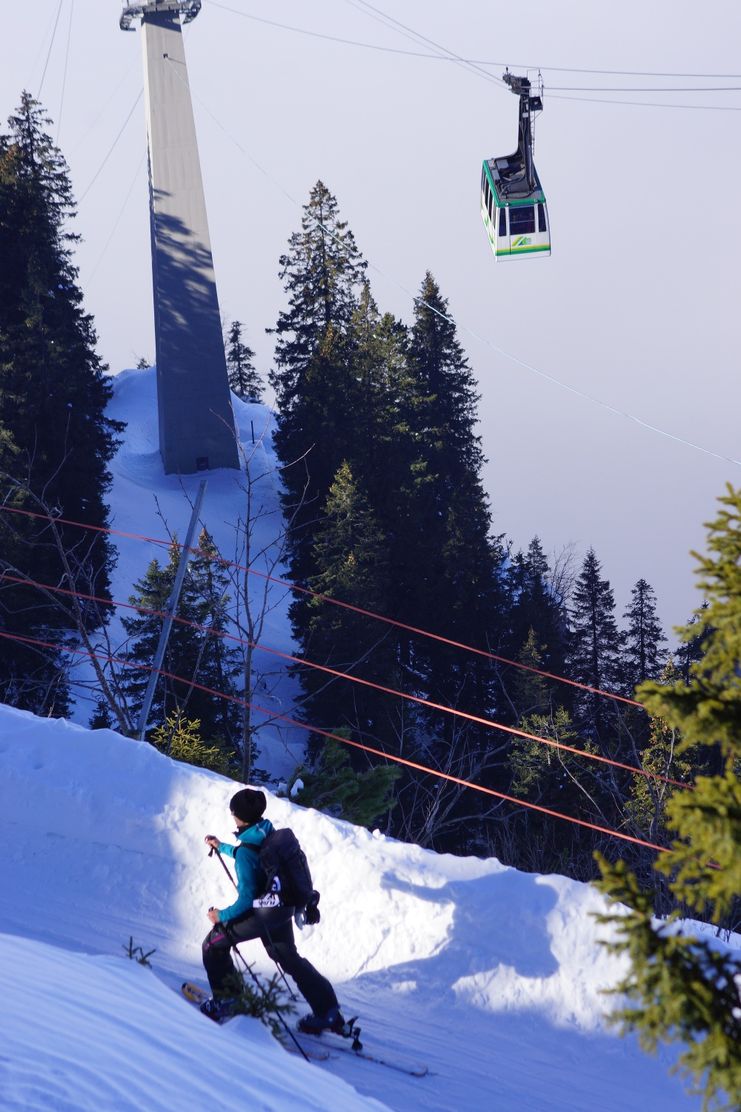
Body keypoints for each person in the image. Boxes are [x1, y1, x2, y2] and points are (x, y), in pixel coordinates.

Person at [200, 787, 346, 1034]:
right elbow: (247, 853)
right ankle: (328, 1011)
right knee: (288, 957)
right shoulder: (267, 832)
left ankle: (228, 1001)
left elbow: (246, 899)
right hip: (281, 907)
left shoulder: (247, 851)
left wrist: (220, 916)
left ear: (238, 816)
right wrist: (222, 846)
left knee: (212, 945)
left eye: (233, 812)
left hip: (260, 914)